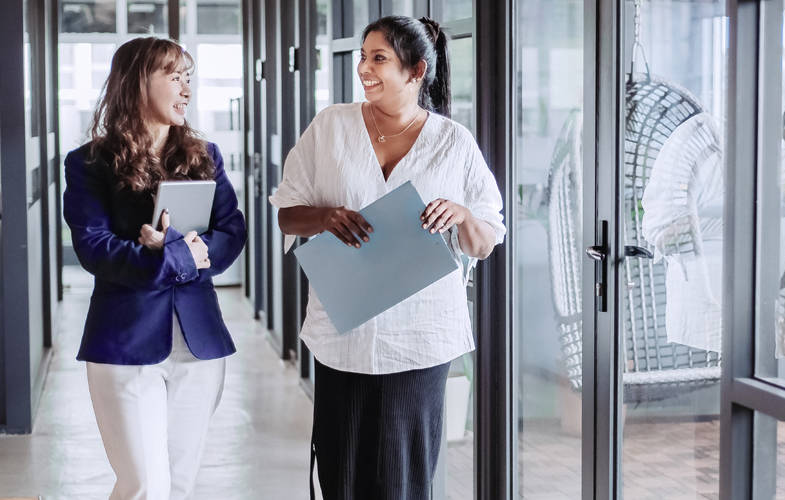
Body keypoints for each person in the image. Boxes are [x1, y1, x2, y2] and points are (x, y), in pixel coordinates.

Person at [269, 15, 505, 500]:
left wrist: (460, 214)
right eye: (363, 56)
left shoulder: (453, 143)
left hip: (419, 341)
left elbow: (484, 242)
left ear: (416, 71)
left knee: (405, 479)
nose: (364, 68)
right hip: (344, 335)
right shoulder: (331, 127)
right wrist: (326, 217)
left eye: (379, 58)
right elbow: (286, 217)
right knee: (343, 476)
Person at [62, 37, 246, 500]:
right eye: (174, 76)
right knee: (145, 487)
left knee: (179, 487)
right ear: (138, 81)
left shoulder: (204, 155)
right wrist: (183, 256)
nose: (187, 89)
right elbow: (95, 249)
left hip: (199, 344)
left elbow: (232, 231)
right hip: (125, 343)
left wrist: (174, 251)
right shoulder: (88, 163)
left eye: (190, 77)